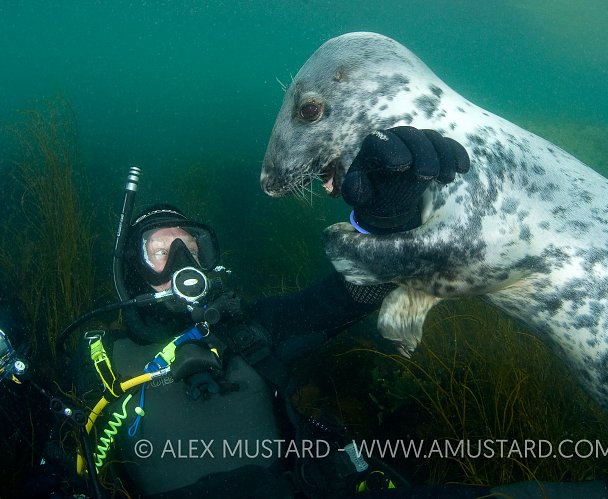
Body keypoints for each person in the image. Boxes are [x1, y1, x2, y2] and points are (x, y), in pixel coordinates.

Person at [73, 127, 473, 499]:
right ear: (133, 270)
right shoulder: (98, 358)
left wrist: (386, 222)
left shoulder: (249, 329)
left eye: (191, 250)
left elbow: (348, 297)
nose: (182, 262)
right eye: (161, 252)